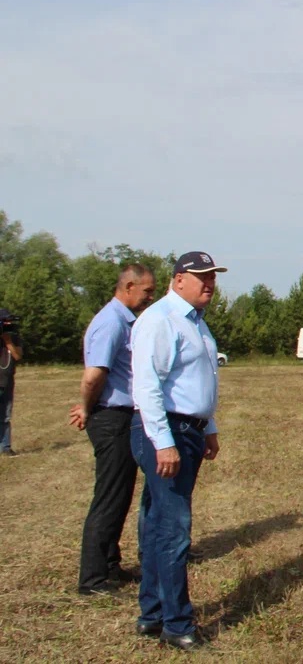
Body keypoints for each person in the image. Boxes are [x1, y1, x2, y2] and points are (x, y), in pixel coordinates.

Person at [130, 251, 226, 650]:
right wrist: (164, 442)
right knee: (173, 529)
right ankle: (177, 624)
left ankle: (152, 614)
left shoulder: (196, 324)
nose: (209, 284)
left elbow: (198, 382)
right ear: (179, 279)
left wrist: (209, 428)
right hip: (165, 431)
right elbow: (148, 387)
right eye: (201, 277)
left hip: (188, 430)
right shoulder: (160, 320)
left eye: (213, 278)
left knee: (158, 524)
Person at [70, 264, 157, 596]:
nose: (150, 297)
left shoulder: (123, 321)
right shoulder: (110, 323)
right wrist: (87, 408)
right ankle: (91, 579)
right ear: (129, 287)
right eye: (147, 291)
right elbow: (94, 375)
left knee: (120, 495)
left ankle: (109, 566)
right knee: (109, 497)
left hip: (119, 415)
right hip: (112, 417)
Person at [0, 307, 23, 457]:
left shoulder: (14, 338)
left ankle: (5, 446)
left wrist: (8, 341)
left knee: (5, 416)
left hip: (7, 382)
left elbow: (18, 356)